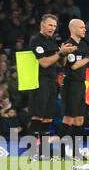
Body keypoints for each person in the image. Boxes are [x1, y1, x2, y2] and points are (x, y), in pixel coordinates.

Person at [58, 18, 89, 159]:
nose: (84, 29)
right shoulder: (68, 45)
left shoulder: (84, 45)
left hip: (81, 84)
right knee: (69, 118)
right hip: (70, 85)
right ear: (73, 29)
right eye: (81, 27)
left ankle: (76, 152)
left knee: (80, 119)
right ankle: (61, 153)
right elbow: (74, 66)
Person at [27, 14, 64, 160]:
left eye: (54, 26)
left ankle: (43, 152)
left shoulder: (54, 41)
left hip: (52, 82)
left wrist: (65, 54)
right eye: (50, 25)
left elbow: (59, 62)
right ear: (42, 25)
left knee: (48, 118)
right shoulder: (36, 41)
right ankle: (32, 152)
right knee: (37, 116)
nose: (52, 28)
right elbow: (44, 63)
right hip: (39, 82)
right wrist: (60, 53)